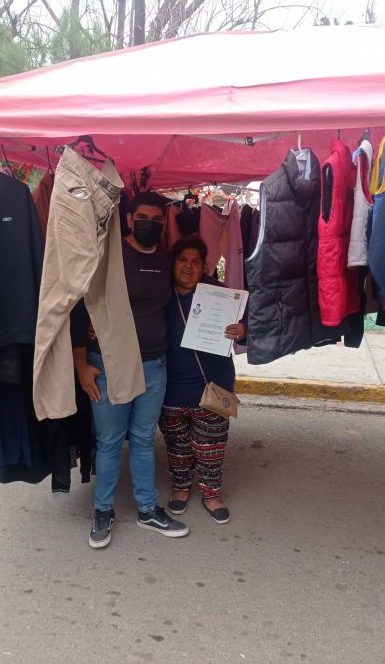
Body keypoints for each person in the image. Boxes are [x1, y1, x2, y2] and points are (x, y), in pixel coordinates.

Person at [71, 191, 189, 548]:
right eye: (143, 217)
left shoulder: (167, 260)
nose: (149, 224)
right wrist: (81, 364)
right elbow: (78, 308)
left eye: (156, 220)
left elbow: (190, 289)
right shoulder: (108, 255)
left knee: (141, 440)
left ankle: (147, 509)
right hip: (108, 365)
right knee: (108, 442)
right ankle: (103, 511)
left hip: (155, 365)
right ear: (129, 218)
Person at [158, 236, 246, 524]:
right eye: (183, 260)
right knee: (177, 446)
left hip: (213, 386)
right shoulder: (158, 294)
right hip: (169, 389)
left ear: (204, 267)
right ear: (173, 263)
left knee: (211, 447)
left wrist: (242, 330)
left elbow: (250, 324)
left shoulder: (219, 293)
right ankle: (181, 487)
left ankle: (211, 493)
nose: (188, 266)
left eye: (195, 261)